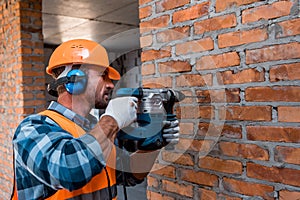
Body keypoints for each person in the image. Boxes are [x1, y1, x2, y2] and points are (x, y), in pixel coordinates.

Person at [12, 39, 179, 200]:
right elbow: (69, 170)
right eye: (103, 75)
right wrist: (111, 119)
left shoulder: (94, 128)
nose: (111, 85)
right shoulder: (33, 128)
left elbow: (128, 175)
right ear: (77, 79)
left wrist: (152, 146)